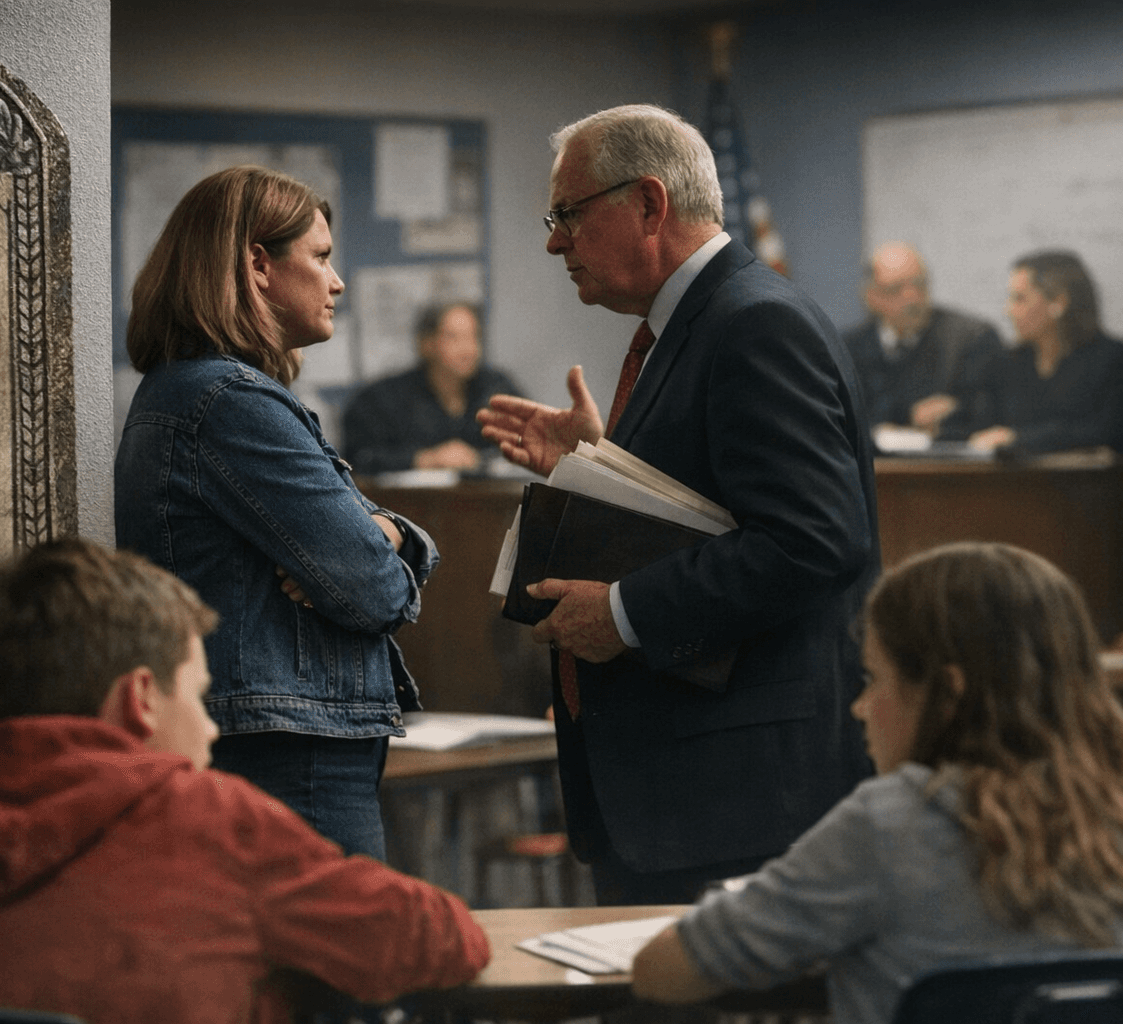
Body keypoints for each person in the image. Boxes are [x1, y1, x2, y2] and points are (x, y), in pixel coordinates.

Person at [0, 540, 488, 1023]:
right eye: (198, 694)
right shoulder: (212, 821)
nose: (212, 724)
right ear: (139, 700)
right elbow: (441, 942)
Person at [477, 104, 876, 905]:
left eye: (569, 216)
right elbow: (713, 502)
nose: (555, 242)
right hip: (689, 784)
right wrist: (602, 468)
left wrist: (624, 611)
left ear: (649, 205)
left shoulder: (754, 323)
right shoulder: (699, 322)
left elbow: (812, 541)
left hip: (738, 792)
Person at [631, 542, 1123, 1024]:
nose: (859, 707)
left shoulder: (890, 823)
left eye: (872, 678)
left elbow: (664, 972)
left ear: (947, 693)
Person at [114, 166, 437, 861]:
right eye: (320, 257)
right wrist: (378, 546)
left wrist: (387, 533)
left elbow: (361, 553)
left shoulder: (188, 391)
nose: (337, 280)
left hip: (265, 742)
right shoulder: (232, 401)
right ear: (258, 264)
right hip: (292, 760)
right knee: (336, 964)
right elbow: (372, 589)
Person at [940, 250, 1123, 456]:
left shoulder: (1112, 361)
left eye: (1019, 299)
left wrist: (1018, 438)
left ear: (1058, 303)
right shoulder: (1007, 364)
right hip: (1011, 485)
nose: (1007, 311)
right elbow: (975, 427)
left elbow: (1105, 432)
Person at [341, 302, 523, 475]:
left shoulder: (496, 388)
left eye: (474, 337)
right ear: (427, 344)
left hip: (490, 501)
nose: (468, 349)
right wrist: (423, 460)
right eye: (454, 338)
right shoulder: (381, 399)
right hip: (409, 504)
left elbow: (526, 442)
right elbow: (358, 458)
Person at [841, 241, 1002, 433]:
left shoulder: (971, 338)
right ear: (871, 296)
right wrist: (908, 414)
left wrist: (953, 411)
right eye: (896, 288)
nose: (912, 298)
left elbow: (988, 412)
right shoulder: (848, 348)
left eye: (919, 284)